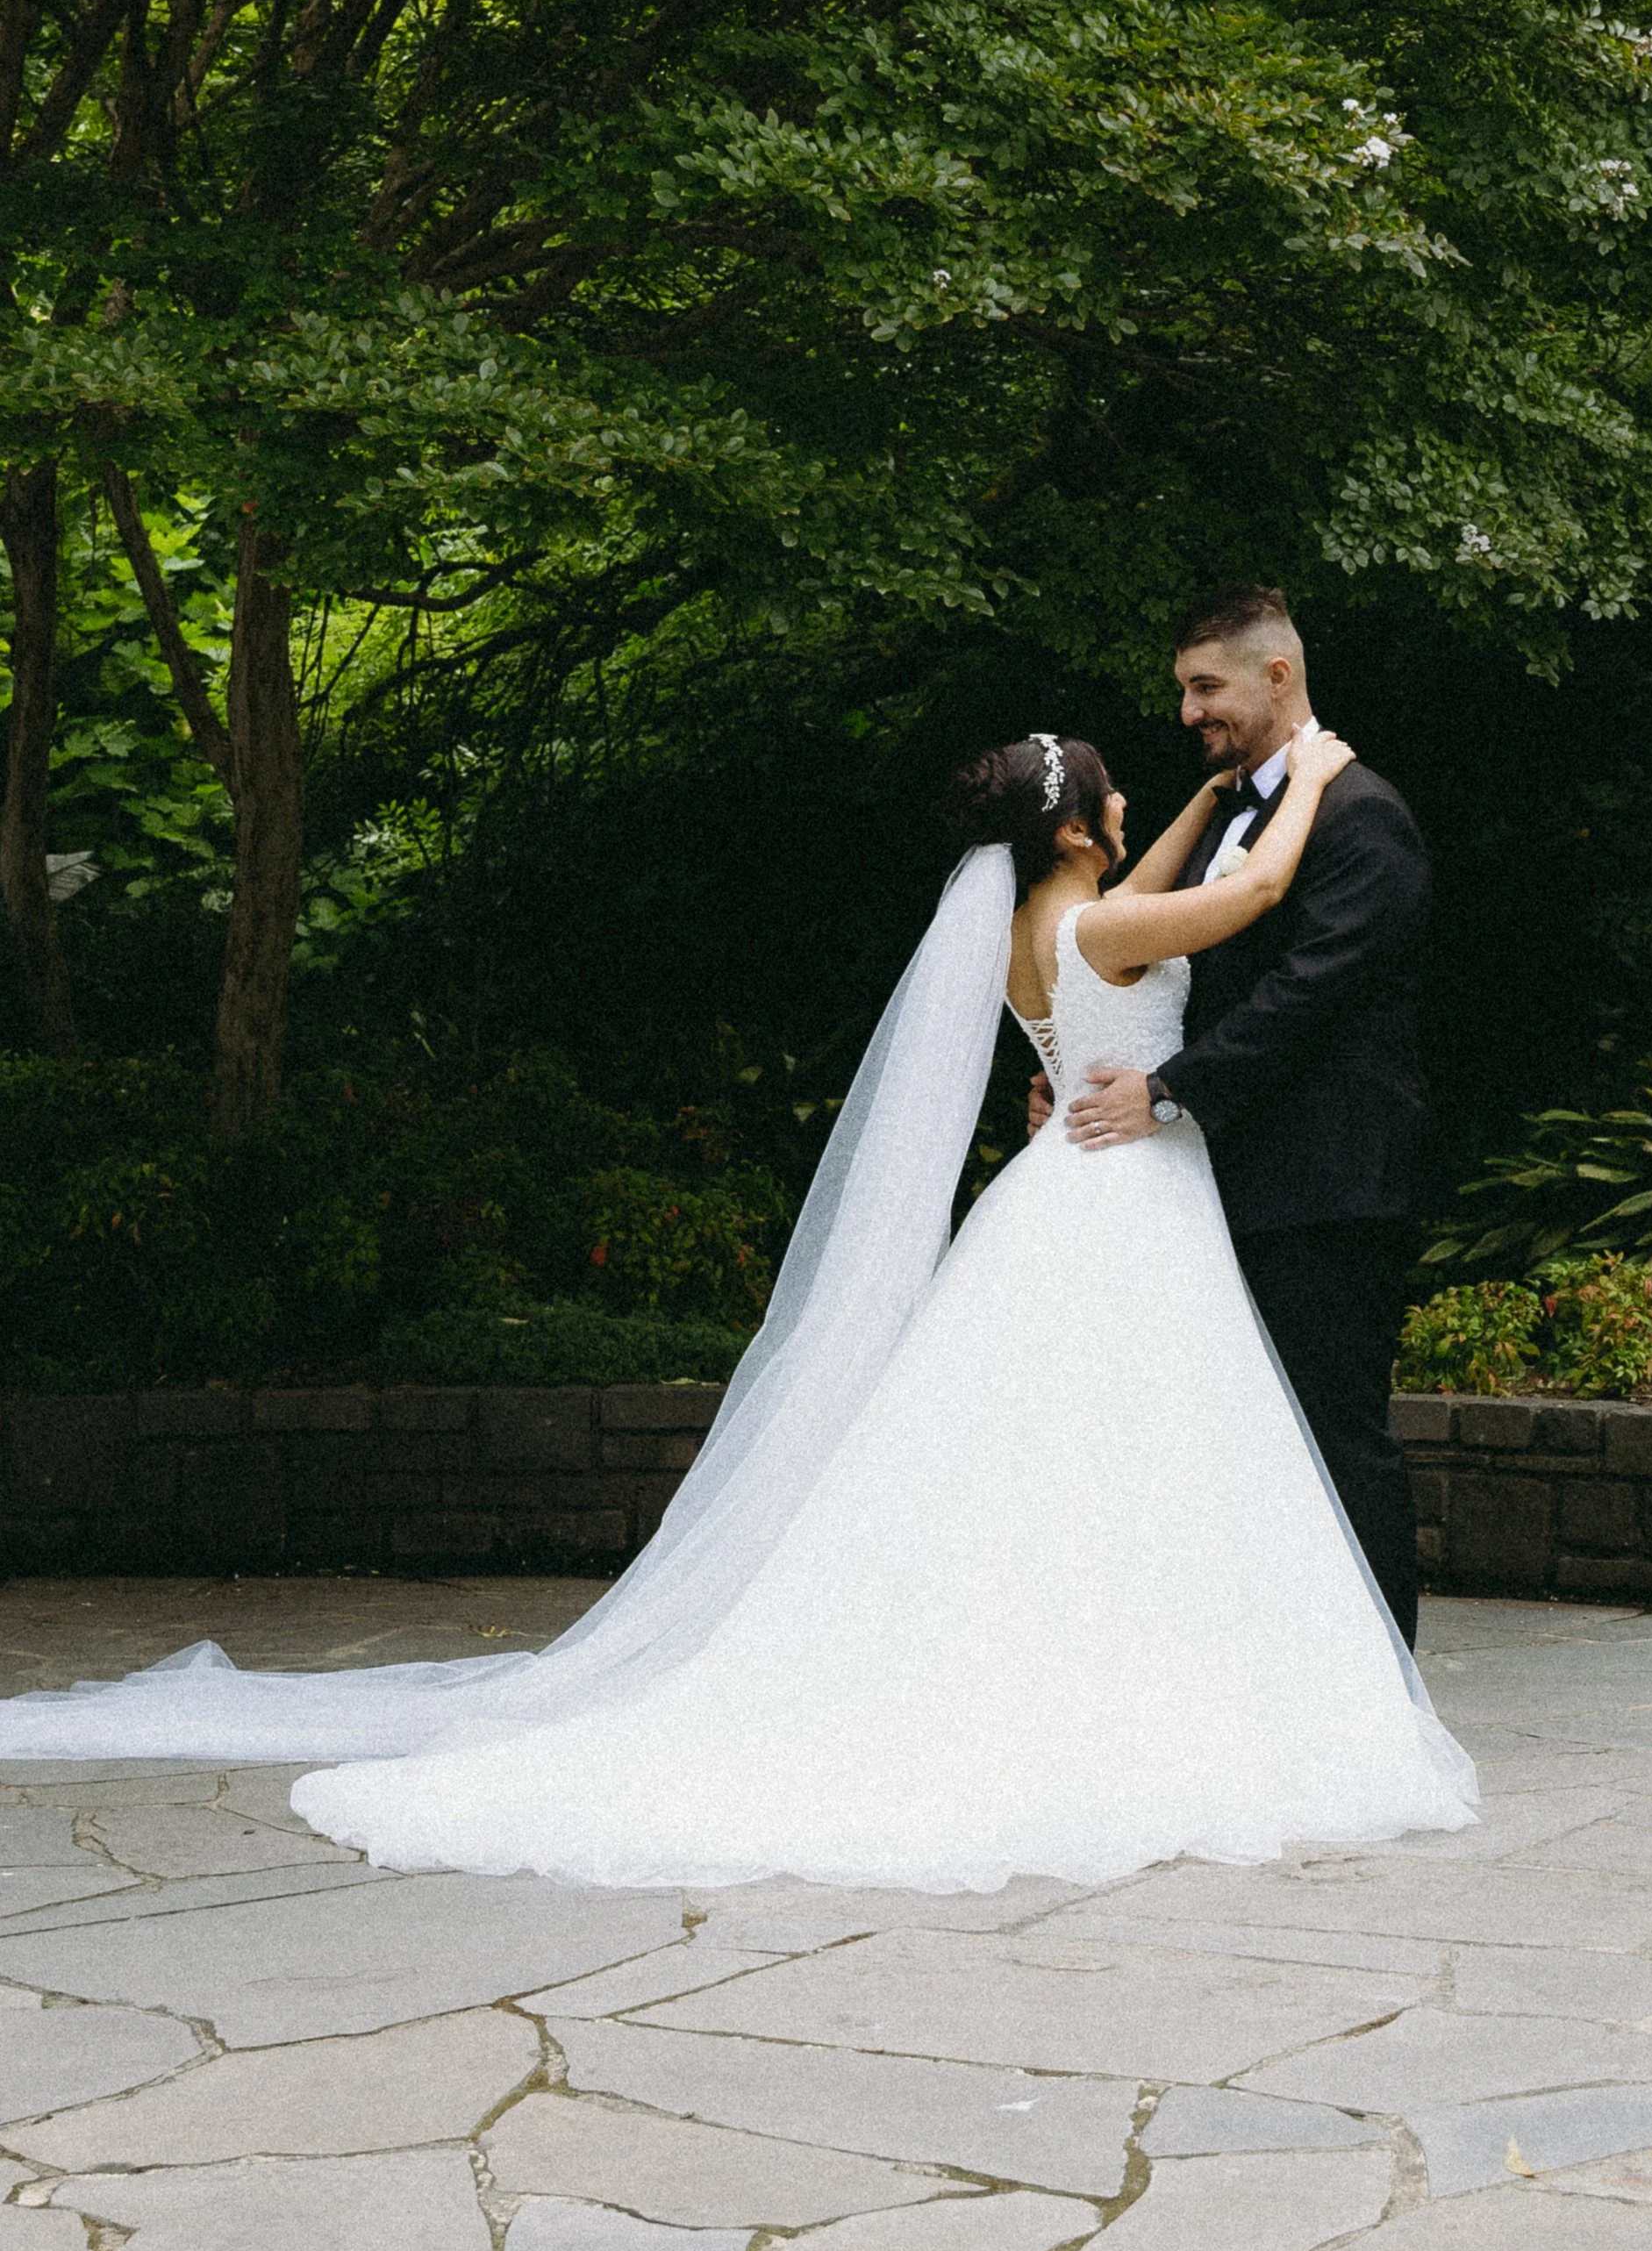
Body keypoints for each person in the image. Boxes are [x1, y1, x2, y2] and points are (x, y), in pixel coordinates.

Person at [0, 726, 1476, 1892]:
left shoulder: (1052, 921)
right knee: (1132, 1454)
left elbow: (1141, 880)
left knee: (1045, 1464)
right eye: (1116, 797)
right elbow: (1260, 893)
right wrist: (1310, 784)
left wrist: (1198, 794)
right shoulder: (1112, 936)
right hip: (1124, 1204)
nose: (1140, 804)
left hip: (1053, 1199)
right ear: (1081, 828)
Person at [1047, 587, 1433, 1645]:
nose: (1186, 712)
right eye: (1182, 689)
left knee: (1336, 1434)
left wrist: (1165, 1091)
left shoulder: (1362, 817)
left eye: (1204, 687)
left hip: (1327, 1183)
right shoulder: (1229, 810)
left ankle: (1383, 1679)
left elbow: (1307, 994)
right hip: (1233, 1178)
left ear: (1277, 675)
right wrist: (1096, 1065)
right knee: (1253, 1443)